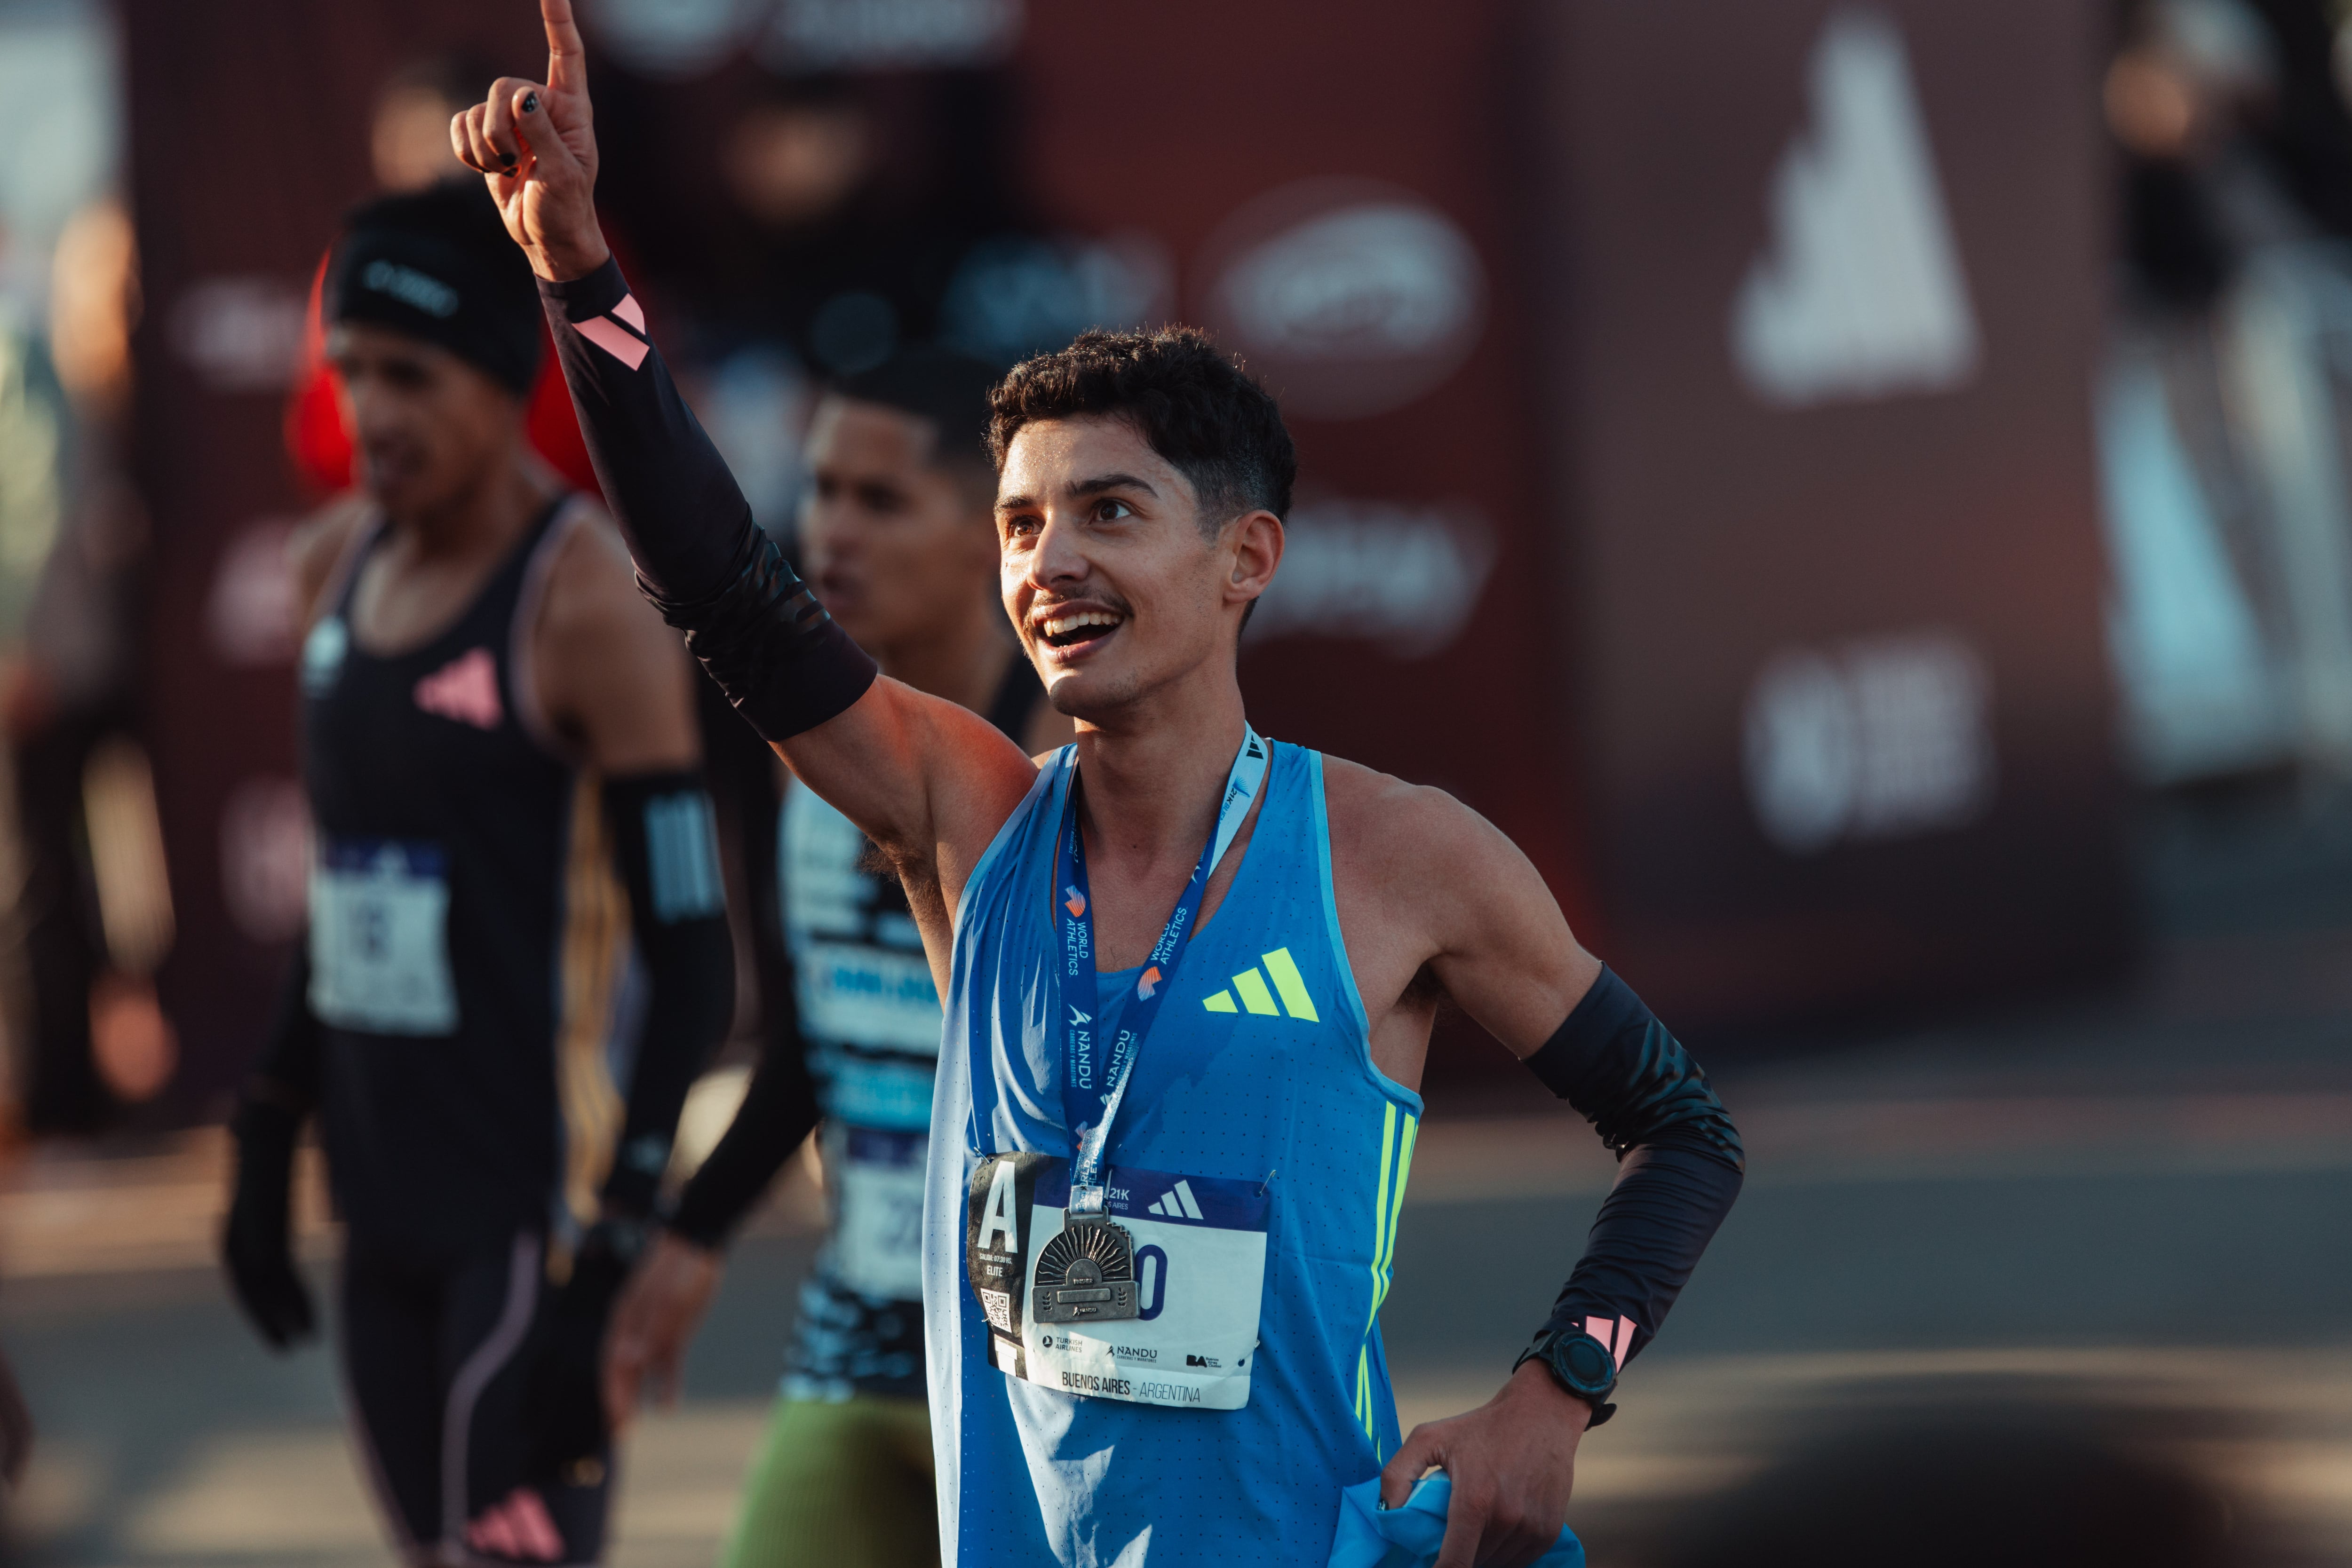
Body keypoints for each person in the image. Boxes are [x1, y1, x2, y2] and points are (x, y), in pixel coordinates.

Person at [456, 10, 1745, 1563]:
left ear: (1243, 558)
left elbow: (1681, 1130)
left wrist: (1555, 1394)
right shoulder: (966, 820)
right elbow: (724, 591)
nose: (1050, 563)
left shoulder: (1401, 859)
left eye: (1109, 513)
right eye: (1018, 525)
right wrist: (578, 276)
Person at [218, 180, 733, 1566]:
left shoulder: (580, 601)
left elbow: (693, 957)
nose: (372, 413)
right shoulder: (332, 566)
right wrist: (268, 1132)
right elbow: (346, 899)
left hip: (534, 1220)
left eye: (410, 375)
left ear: (503, 380)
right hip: (382, 1200)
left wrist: (620, 1242)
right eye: (350, 373)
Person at [603, 347, 1072, 1568]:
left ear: (993, 537)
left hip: (1055, 1345)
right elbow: (825, 1029)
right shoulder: (802, 761)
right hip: (862, 1323)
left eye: (882, 500)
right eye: (821, 491)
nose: (833, 533)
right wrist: (694, 1230)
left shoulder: (1077, 768)